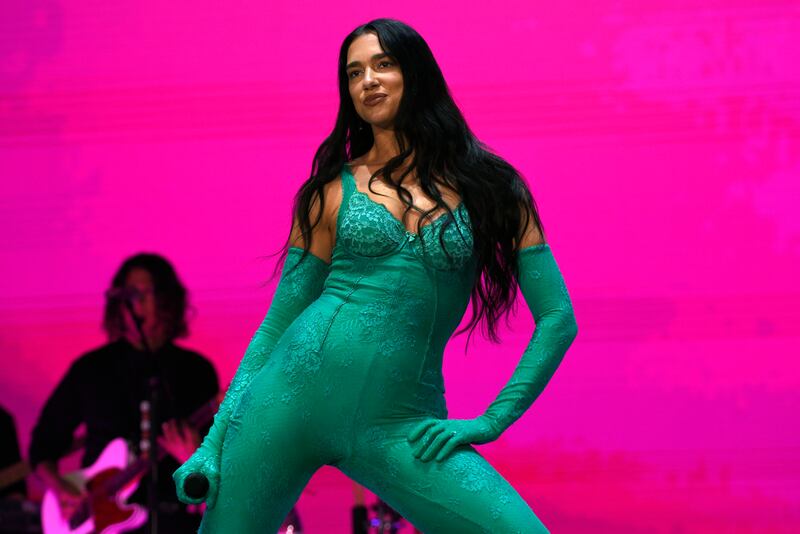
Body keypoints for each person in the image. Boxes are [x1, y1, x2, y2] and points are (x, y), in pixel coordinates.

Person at [174, 18, 578, 533]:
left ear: (416, 72)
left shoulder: (495, 188)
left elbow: (558, 318)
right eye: (354, 72)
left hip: (401, 422)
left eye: (383, 64)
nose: (367, 80)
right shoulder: (328, 191)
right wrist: (213, 444)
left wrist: (492, 420)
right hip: (284, 403)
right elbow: (276, 325)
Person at [29, 253, 219, 533]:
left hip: (174, 519)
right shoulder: (91, 368)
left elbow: (219, 459)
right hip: (102, 522)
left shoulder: (195, 370)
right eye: (128, 295)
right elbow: (43, 444)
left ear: (166, 299)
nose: (135, 303)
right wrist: (61, 491)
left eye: (144, 293)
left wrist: (194, 457)